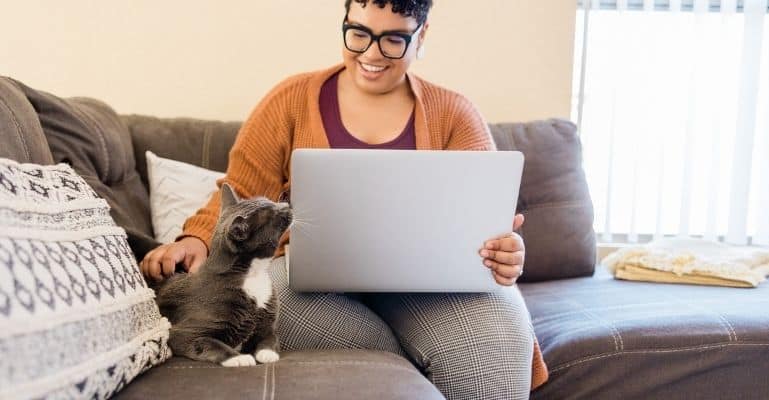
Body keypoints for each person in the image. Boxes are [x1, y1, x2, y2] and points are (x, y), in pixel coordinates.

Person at [140, 0, 547, 398]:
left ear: (422, 35)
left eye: (393, 40)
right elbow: (241, 194)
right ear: (345, 21)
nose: (371, 53)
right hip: (311, 286)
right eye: (358, 33)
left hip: (432, 290)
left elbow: (488, 220)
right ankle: (417, 366)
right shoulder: (289, 100)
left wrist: (506, 251)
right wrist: (195, 239)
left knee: (491, 350)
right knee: (262, 305)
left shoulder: (455, 114)